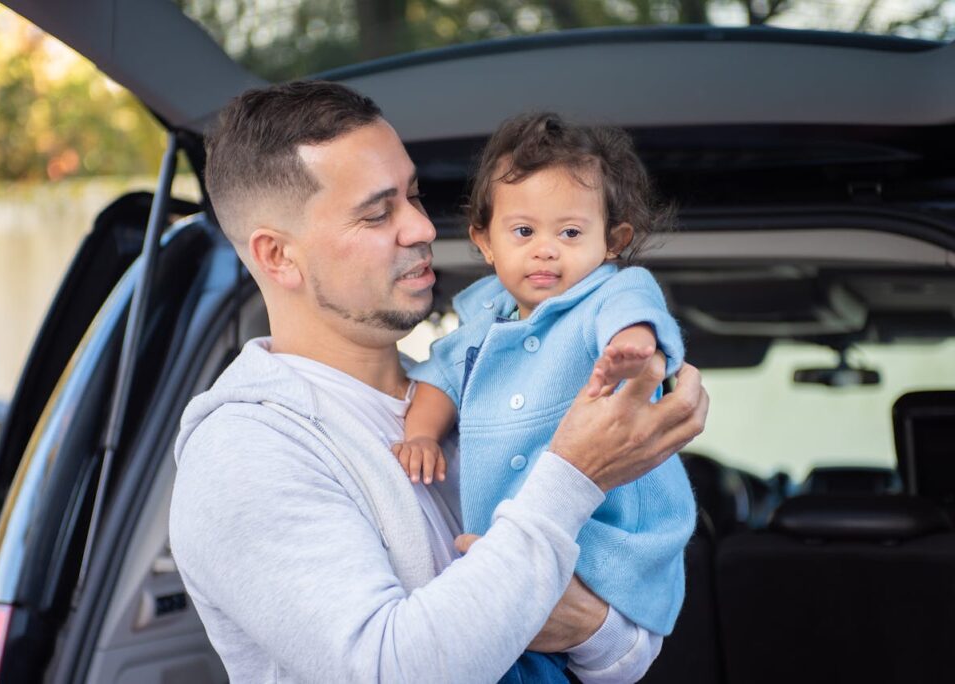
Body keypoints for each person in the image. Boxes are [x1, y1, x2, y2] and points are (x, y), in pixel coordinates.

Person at [168, 81, 709, 684]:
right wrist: (577, 473)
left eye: (414, 196)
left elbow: (626, 657)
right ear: (277, 257)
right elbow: (391, 671)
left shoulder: (476, 386)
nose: (422, 228)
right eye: (378, 213)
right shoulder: (247, 450)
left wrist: (583, 624)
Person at [394, 114, 695, 650]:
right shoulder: (483, 318)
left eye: (571, 232)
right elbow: (441, 378)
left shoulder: (608, 295)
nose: (545, 248)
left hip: (604, 537)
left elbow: (632, 309)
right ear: (485, 242)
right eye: (524, 231)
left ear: (612, 242)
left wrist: (632, 346)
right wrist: (421, 434)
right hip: (516, 552)